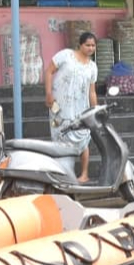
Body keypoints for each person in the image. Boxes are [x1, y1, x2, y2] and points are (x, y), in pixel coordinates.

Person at [44, 32, 98, 182]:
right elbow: (49, 71)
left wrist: (95, 111)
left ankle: (84, 174)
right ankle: (64, 174)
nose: (90, 48)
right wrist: (48, 93)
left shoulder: (92, 67)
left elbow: (91, 91)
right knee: (60, 139)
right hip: (60, 108)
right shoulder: (66, 55)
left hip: (81, 109)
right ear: (80, 45)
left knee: (83, 140)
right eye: (87, 45)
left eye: (93, 45)